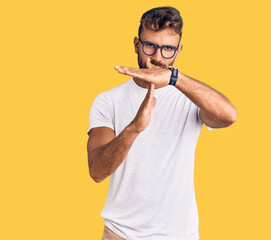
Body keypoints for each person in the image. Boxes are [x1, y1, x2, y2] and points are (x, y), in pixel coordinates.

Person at [87, 6, 237, 240]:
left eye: (167, 49)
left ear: (178, 52)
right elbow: (97, 171)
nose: (157, 57)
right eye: (150, 46)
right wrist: (133, 129)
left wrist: (175, 78)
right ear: (136, 44)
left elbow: (229, 116)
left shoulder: (190, 98)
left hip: (179, 235)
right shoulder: (107, 100)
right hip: (121, 234)